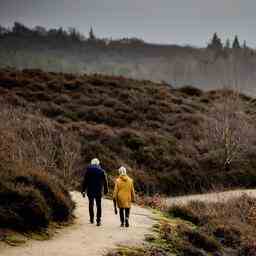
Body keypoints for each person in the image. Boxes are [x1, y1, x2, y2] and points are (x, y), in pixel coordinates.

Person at [81, 158, 108, 226]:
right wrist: (106, 190)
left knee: (91, 204)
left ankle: (91, 219)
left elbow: (85, 181)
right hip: (98, 191)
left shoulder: (88, 171)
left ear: (92, 163)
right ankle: (98, 220)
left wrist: (83, 190)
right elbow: (105, 182)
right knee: (98, 205)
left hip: (90, 190)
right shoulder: (102, 171)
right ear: (98, 163)